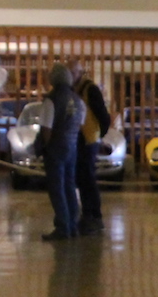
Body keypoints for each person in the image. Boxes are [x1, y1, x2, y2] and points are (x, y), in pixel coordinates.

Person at [41, 64, 86, 240]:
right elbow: (80, 125)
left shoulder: (51, 100)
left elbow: (46, 129)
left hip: (56, 148)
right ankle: (73, 225)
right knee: (69, 186)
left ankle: (62, 227)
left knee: (57, 188)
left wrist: (46, 147)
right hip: (72, 147)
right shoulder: (78, 100)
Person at [69, 60, 113, 232]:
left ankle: (94, 215)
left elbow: (104, 116)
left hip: (88, 139)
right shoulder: (73, 89)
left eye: (73, 73)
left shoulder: (90, 90)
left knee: (87, 178)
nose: (70, 77)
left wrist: (98, 136)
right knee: (82, 178)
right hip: (79, 138)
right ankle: (88, 214)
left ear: (80, 73)